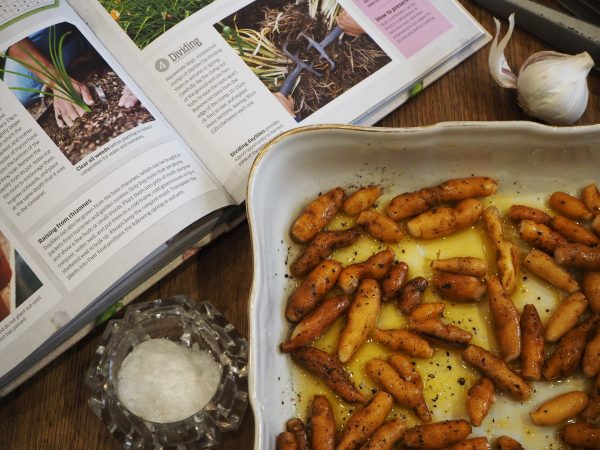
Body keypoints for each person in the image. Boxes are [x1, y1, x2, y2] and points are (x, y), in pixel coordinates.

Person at [3, 23, 137, 127]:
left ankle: (97, 37)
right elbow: (7, 35)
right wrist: (57, 81)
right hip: (45, 18)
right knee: (17, 92)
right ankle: (85, 40)